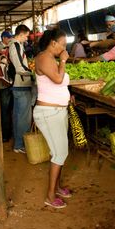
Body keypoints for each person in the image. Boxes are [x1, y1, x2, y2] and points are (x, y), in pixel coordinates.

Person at [34, 29, 72, 209]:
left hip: (57, 111)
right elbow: (57, 79)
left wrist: (67, 95)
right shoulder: (43, 58)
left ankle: (56, 187)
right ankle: (50, 196)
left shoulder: (50, 58)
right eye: (63, 45)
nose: (64, 48)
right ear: (53, 43)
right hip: (49, 113)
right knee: (60, 153)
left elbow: (58, 83)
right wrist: (63, 60)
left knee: (60, 151)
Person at [9, 25, 33, 154]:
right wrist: (33, 73)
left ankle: (18, 143)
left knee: (19, 116)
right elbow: (19, 68)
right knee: (23, 117)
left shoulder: (18, 45)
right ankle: (20, 145)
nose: (27, 38)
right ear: (21, 34)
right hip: (21, 85)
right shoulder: (15, 45)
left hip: (20, 85)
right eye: (26, 35)